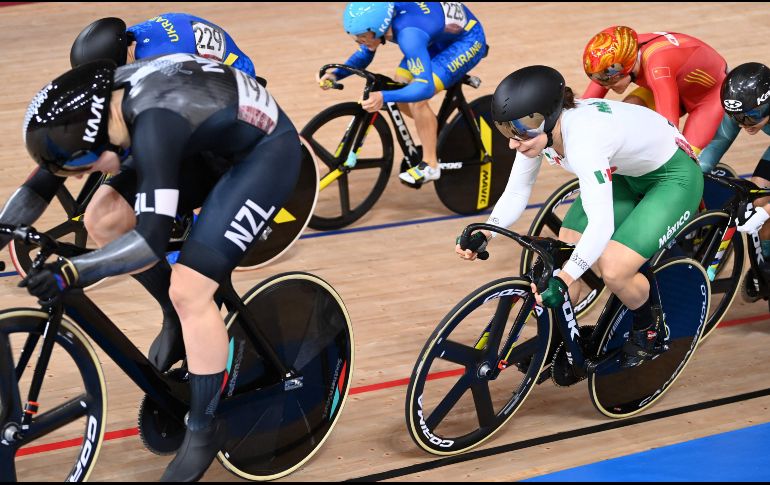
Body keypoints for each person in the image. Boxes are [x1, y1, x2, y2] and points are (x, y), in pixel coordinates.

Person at [16, 55, 301, 481]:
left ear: (98, 140)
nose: (77, 178)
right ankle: (176, 317)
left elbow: (150, 242)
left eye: (82, 167)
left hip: (262, 155)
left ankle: (204, 428)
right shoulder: (96, 115)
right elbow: (41, 184)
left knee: (190, 289)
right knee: (103, 218)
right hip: (203, 139)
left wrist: (70, 274)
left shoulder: (154, 123)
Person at [13, 14, 262, 373]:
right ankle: (171, 309)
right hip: (174, 100)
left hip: (224, 103)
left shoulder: (160, 60)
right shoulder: (126, 52)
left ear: (128, 53)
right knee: (104, 215)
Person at [456, 65, 703, 368]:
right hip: (627, 171)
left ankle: (650, 328)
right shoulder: (537, 131)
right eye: (507, 131)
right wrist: (488, 231)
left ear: (546, 119)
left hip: (673, 179)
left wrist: (567, 276)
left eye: (518, 132)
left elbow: (601, 225)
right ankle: (559, 335)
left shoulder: (583, 142)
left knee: (613, 269)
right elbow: (518, 192)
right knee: (569, 245)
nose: (512, 142)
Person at [317, 2, 487, 186]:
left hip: (466, 41)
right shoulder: (382, 15)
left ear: (379, 28)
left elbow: (425, 88)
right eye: (355, 37)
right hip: (436, 34)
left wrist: (383, 96)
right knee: (401, 87)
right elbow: (365, 53)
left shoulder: (409, 35)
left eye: (363, 36)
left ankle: (431, 165)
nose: (359, 41)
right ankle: (440, 132)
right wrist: (335, 75)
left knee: (417, 99)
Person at [582, 26, 726, 155]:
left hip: (708, 98)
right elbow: (585, 104)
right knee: (625, 115)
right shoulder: (615, 63)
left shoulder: (658, 66)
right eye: (601, 81)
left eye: (610, 81)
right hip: (677, 86)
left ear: (628, 67)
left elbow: (669, 127)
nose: (606, 87)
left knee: (682, 156)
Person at [699, 62, 770, 297]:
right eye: (736, 118)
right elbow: (715, 147)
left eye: (749, 119)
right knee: (757, 194)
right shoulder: (745, 109)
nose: (742, 124)